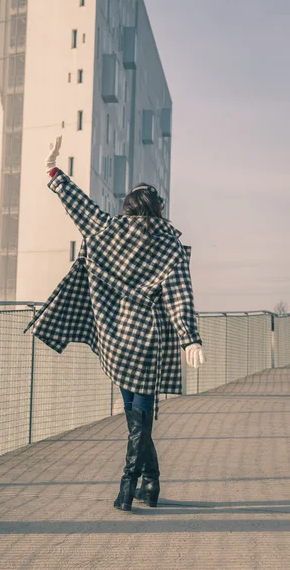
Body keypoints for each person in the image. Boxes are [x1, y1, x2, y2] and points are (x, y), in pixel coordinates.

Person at [23, 135, 207, 512]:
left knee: (135, 418)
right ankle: (136, 484)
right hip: (148, 341)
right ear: (157, 208)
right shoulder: (169, 245)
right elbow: (179, 295)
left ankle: (142, 484)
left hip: (115, 339)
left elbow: (77, 204)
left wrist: (53, 168)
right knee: (141, 418)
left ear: (127, 207)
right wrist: (189, 338)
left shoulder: (108, 229)